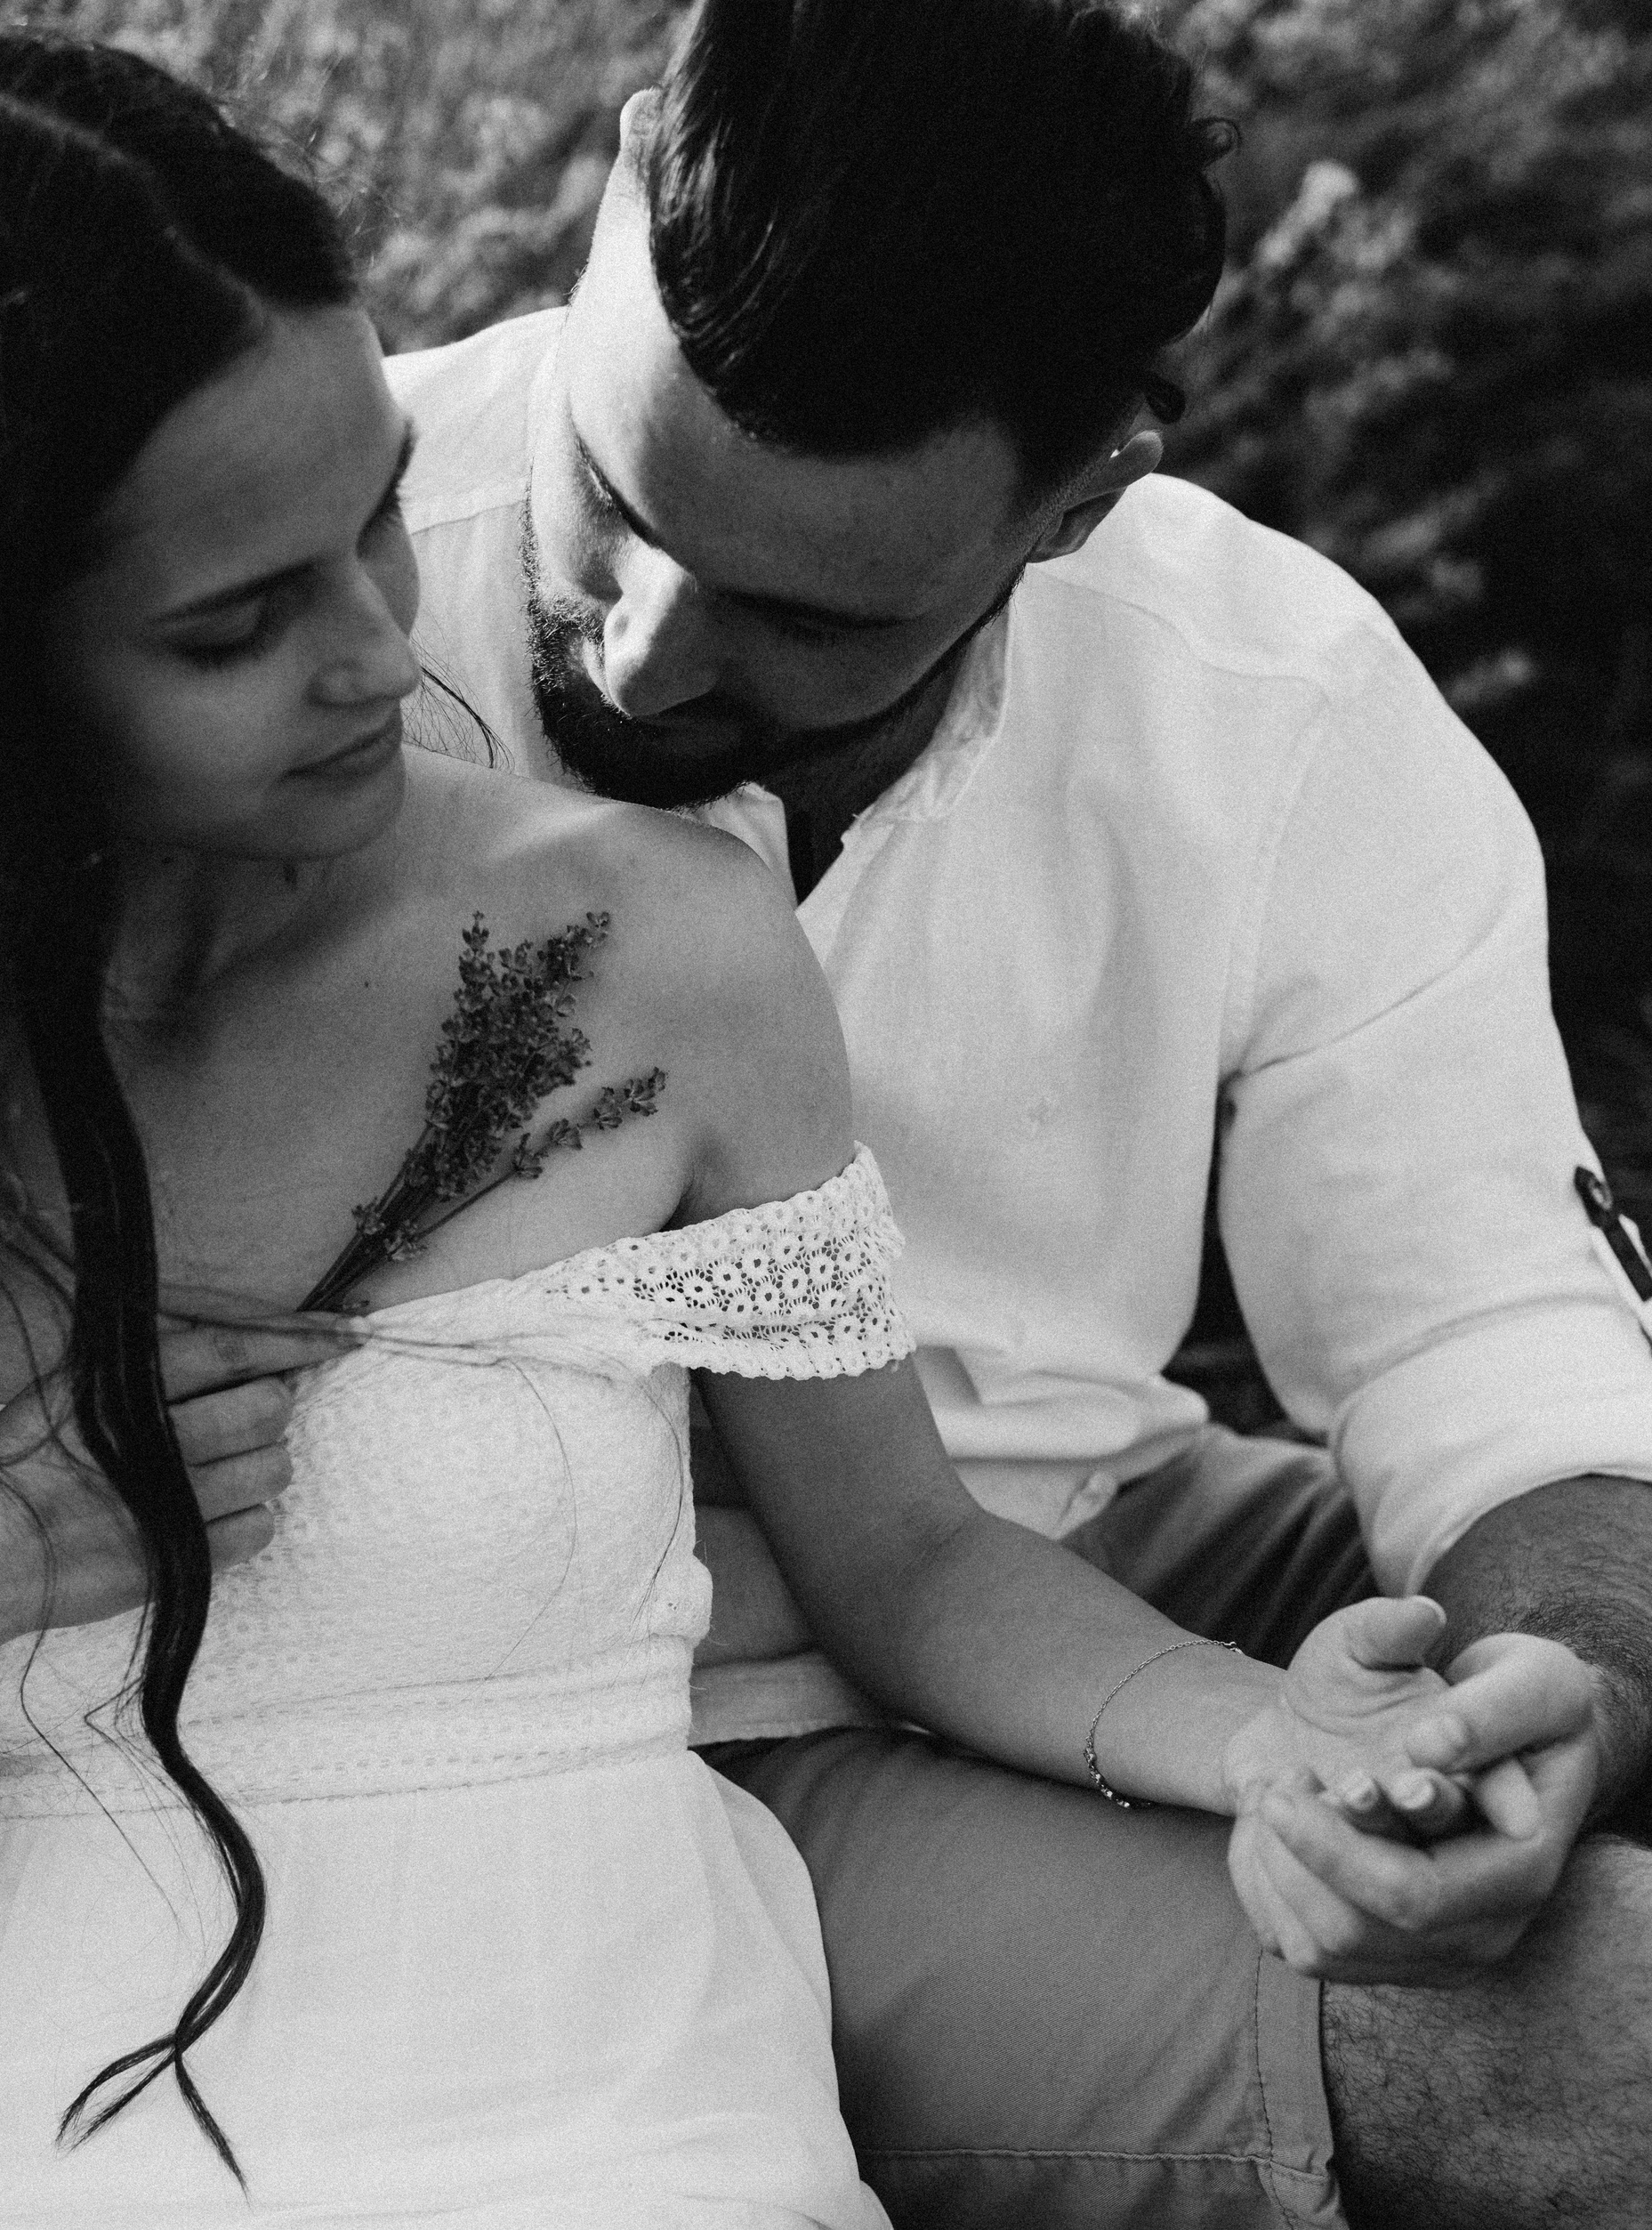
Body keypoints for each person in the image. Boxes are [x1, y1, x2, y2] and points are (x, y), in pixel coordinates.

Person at [0, 28, 1545, 2226]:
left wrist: (1301, 1739)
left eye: (380, 515)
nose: (385, 648)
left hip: (638, 2055)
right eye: (238, 622)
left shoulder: (668, 938)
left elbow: (935, 1552)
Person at [383, 2, 1652, 2226]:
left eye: (803, 614)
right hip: (642, 1731)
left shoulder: (1270, 692)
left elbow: (1489, 1336)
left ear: (1080, 504)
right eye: (616, 502)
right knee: (1611, 2045)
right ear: (613, 193)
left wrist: (1552, 1697)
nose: (648, 650)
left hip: (1082, 1550)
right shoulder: (271, 610)